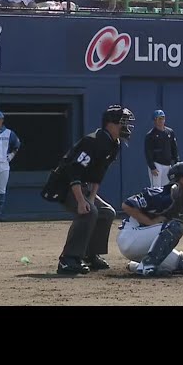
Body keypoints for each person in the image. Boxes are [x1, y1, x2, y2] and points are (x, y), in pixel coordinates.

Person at [40, 104, 135, 275]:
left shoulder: (114, 144)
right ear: (110, 124)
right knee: (88, 212)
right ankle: (68, 259)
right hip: (64, 184)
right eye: (122, 122)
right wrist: (82, 201)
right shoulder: (93, 141)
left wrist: (91, 197)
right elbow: (73, 170)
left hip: (82, 185)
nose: (126, 126)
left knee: (106, 212)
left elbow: (98, 174)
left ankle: (90, 255)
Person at [0, 111, 21, 222]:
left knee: (2, 189)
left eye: (0, 119)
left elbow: (17, 144)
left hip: (4, 165)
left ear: (3, 120)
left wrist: (11, 156)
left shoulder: (9, 133)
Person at [144, 109, 179, 187]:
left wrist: (176, 162)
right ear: (154, 120)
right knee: (156, 189)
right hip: (157, 165)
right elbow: (148, 152)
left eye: (162, 118)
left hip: (168, 165)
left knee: (166, 188)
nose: (161, 120)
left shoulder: (170, 132)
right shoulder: (150, 135)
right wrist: (152, 167)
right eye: (159, 118)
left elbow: (174, 148)